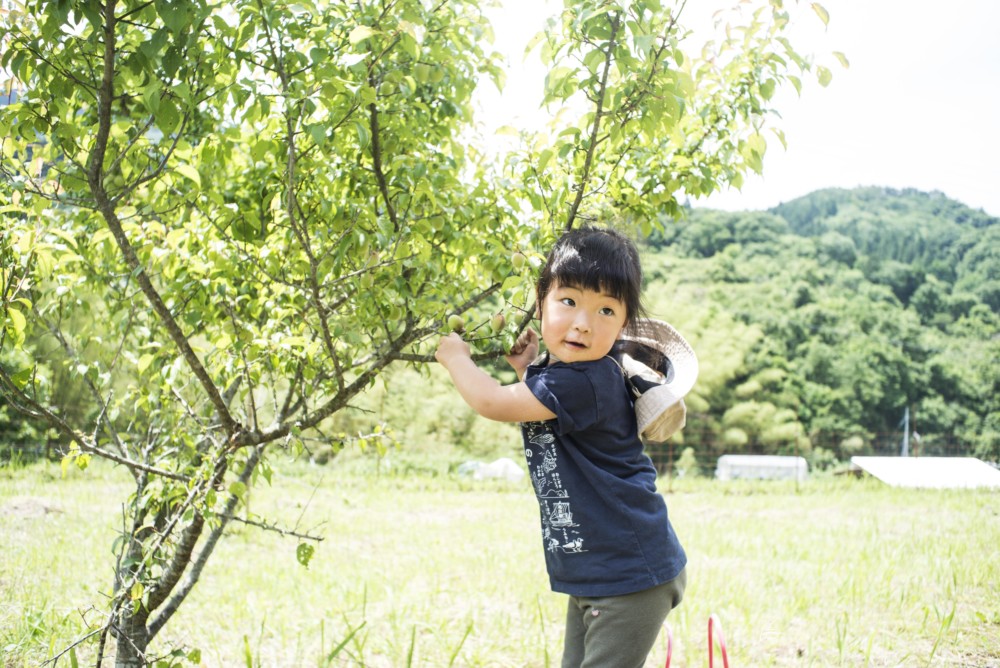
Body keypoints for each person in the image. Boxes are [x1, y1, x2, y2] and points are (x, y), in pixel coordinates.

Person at [435, 226, 687, 668]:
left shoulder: (588, 380)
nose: (583, 323)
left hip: (627, 575)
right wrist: (527, 367)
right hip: (600, 571)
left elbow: (492, 403)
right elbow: (550, 413)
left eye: (606, 310)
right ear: (541, 301)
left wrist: (457, 358)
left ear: (624, 323)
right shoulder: (568, 377)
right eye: (568, 301)